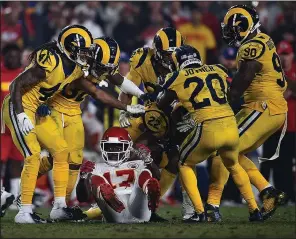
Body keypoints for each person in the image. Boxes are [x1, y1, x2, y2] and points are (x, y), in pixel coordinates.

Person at [158, 44, 262, 222]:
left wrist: (177, 104)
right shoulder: (219, 69)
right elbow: (230, 92)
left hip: (208, 127)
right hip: (230, 124)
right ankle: (254, 209)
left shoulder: (178, 76)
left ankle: (199, 212)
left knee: (183, 163)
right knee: (234, 165)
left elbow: (162, 103)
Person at [36, 37, 146, 204]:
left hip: (73, 111)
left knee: (75, 159)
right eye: (102, 67)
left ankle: (64, 203)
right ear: (93, 58)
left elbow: (120, 81)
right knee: (59, 155)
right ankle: (31, 184)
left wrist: (142, 95)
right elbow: (97, 94)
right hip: (55, 108)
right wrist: (126, 108)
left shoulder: (98, 65)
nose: (105, 71)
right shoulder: (79, 67)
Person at [1, 24, 94, 223]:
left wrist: (45, 104)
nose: (85, 55)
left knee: (61, 150)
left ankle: (59, 207)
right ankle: (24, 212)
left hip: (36, 108)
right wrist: (21, 115)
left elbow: (50, 89)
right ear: (70, 48)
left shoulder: (74, 66)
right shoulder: (51, 59)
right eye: (82, 50)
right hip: (18, 107)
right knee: (33, 155)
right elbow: (16, 84)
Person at [206, 5, 287, 222]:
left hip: (263, 107)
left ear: (243, 26)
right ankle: (268, 191)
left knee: (223, 148)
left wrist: (224, 96)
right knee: (235, 154)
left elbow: (243, 80)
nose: (229, 34)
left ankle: (211, 206)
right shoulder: (262, 39)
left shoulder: (251, 46)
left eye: (232, 29)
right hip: (267, 107)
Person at [76, 127, 162, 223]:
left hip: (137, 207)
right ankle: (111, 198)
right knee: (95, 178)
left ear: (129, 147)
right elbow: (82, 198)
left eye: (118, 146)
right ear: (102, 147)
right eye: (109, 147)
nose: (113, 150)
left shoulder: (138, 163)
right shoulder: (95, 167)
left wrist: (148, 161)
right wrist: (83, 178)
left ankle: (149, 191)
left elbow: (157, 177)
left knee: (145, 173)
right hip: (115, 212)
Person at [261, 41, 296, 204]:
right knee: (269, 163)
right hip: (272, 126)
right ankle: (268, 197)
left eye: (286, 54)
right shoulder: (271, 71)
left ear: (292, 55)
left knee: (286, 164)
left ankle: (287, 196)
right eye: (281, 54)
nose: (284, 58)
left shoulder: (291, 72)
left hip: (291, 127)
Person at [1, 44, 24, 202]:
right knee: (0, 161)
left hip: (18, 126)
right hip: (2, 126)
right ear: (4, 57)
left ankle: (16, 197)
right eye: (10, 56)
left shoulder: (25, 75)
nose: (13, 58)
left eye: (16, 56)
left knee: (17, 162)